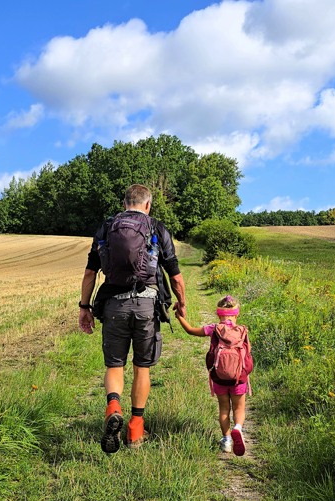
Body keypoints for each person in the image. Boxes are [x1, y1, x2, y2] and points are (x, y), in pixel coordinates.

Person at [78, 184, 187, 454]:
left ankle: (113, 406)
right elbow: (174, 275)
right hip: (147, 307)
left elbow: (90, 273)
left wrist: (84, 307)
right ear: (148, 205)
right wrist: (181, 302)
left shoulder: (107, 227)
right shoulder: (156, 227)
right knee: (142, 367)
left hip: (114, 305)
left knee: (115, 365)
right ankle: (136, 429)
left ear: (124, 202)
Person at [175, 295, 253, 456]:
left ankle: (227, 440)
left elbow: (190, 330)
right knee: (239, 408)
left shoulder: (214, 329)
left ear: (219, 314)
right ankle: (238, 428)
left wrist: (179, 317)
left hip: (219, 377)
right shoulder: (242, 330)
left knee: (224, 408)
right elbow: (248, 354)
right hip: (239, 379)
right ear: (237, 314)